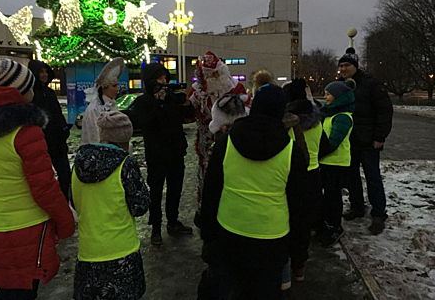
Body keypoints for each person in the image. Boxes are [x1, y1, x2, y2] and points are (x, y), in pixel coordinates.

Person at [0, 58, 75, 300]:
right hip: (27, 231)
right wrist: (66, 221)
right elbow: (45, 188)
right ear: (19, 91)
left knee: (7, 292)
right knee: (23, 292)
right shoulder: (26, 132)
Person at [200, 84, 309, 300]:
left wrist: (208, 233)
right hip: (271, 240)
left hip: (229, 232)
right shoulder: (291, 152)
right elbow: (299, 207)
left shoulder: (226, 142)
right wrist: (298, 255)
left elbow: (211, 191)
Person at [72, 111, 150, 300]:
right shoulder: (125, 164)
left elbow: (74, 201)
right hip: (121, 251)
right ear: (126, 138)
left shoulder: (78, 165)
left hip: (88, 252)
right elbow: (139, 207)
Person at [132, 63, 195, 245]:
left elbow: (188, 116)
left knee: (175, 190)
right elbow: (145, 122)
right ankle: (156, 227)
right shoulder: (142, 102)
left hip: (175, 153)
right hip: (156, 155)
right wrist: (158, 103)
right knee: (156, 192)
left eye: (165, 78)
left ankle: (173, 221)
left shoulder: (170, 99)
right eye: (160, 78)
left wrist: (186, 103)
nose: (164, 82)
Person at [338, 48, 393, 235]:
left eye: (347, 65)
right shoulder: (339, 85)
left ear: (355, 66)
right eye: (341, 66)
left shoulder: (371, 84)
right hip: (348, 142)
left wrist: (379, 137)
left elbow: (384, 111)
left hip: (369, 142)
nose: (343, 69)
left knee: (373, 178)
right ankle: (357, 207)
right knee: (351, 177)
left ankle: (378, 213)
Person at [188, 51, 249, 218]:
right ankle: (207, 212)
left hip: (233, 140)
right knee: (208, 176)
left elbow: (246, 112)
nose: (213, 77)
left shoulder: (236, 87)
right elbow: (188, 115)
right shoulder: (197, 91)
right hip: (207, 141)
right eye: (209, 75)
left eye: (215, 73)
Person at [282, 78, 331, 285]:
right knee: (302, 227)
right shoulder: (317, 121)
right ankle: (299, 268)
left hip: (289, 177)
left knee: (285, 223)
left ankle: (283, 272)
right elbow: (325, 148)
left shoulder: (285, 123)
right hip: (312, 177)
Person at [319, 79, 356, 247]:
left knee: (333, 196)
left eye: (328, 94)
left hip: (337, 162)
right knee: (327, 196)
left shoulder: (343, 117)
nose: (325, 97)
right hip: (326, 161)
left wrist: (317, 153)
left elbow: (333, 141)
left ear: (338, 97)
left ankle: (335, 226)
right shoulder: (329, 114)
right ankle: (326, 223)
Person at [28, 60, 71, 201]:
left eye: (46, 71)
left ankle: (64, 201)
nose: (45, 75)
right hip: (41, 142)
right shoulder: (30, 95)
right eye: (41, 71)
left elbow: (57, 114)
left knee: (65, 174)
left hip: (57, 141)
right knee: (45, 177)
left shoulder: (50, 93)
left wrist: (64, 129)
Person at [80, 57, 124, 145]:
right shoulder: (94, 109)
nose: (117, 89)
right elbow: (95, 136)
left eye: (117, 86)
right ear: (104, 87)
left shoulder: (111, 105)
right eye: (114, 86)